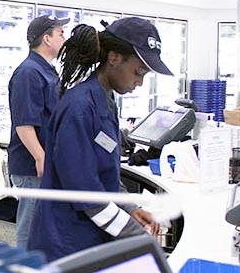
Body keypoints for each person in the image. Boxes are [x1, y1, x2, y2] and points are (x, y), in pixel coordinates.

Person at [28, 17, 168, 261]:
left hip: (89, 237)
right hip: (65, 241)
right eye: (138, 72)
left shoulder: (105, 101)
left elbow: (104, 175)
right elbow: (85, 192)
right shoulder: (79, 108)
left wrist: (129, 208)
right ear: (114, 58)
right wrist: (136, 236)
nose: (139, 82)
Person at [7, 15, 69, 249]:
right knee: (30, 227)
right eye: (60, 33)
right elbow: (23, 124)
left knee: (41, 226)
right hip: (31, 166)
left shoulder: (46, 71)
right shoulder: (28, 73)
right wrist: (40, 157)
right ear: (47, 38)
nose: (64, 38)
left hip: (43, 163)